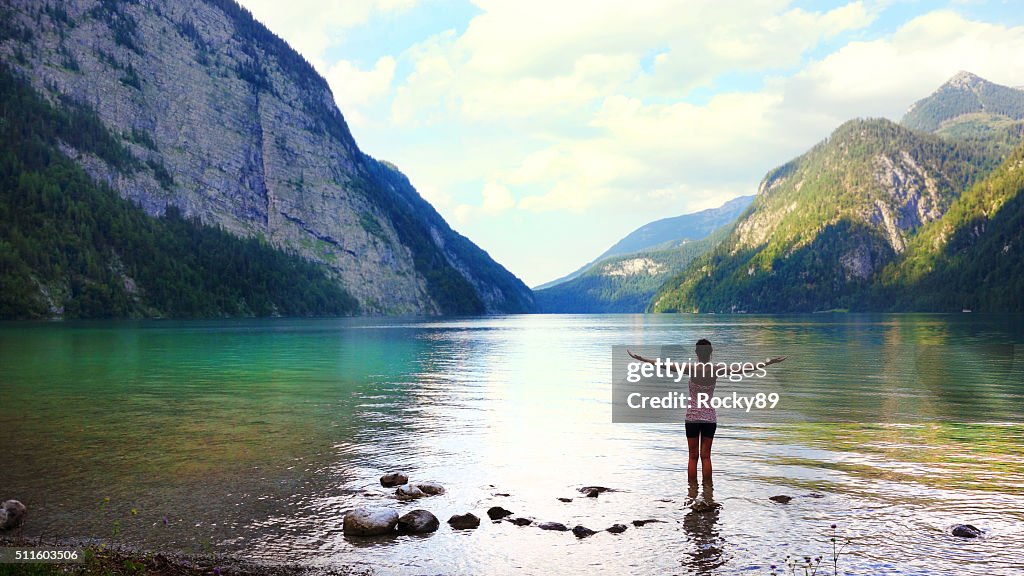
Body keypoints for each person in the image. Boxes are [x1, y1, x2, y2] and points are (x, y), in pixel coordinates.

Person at [627, 340, 785, 484]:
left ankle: (692, 492)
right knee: (706, 457)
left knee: (692, 457)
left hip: (692, 418)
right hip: (709, 418)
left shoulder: (690, 369)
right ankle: (708, 492)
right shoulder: (717, 369)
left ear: (696, 353)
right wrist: (769, 362)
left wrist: (642, 359)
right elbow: (744, 369)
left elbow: (663, 364)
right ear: (711, 353)